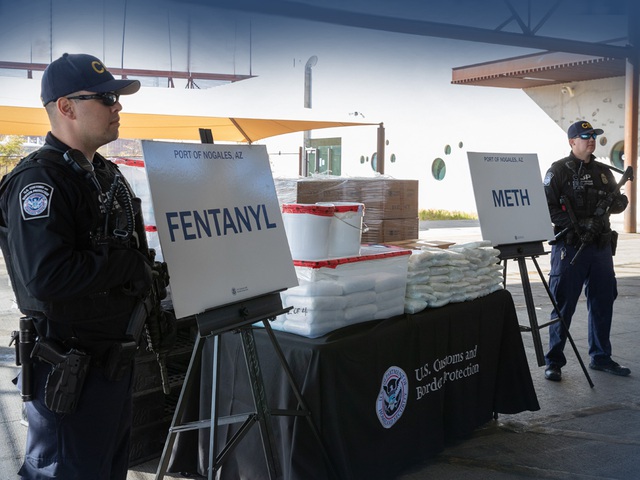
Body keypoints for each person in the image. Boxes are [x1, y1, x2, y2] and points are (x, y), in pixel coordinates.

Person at [0, 53, 154, 479]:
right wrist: (126, 265)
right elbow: (45, 278)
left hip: (110, 365)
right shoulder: (40, 182)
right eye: (105, 98)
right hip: (70, 371)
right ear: (66, 107)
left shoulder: (101, 173)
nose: (117, 106)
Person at [542, 120, 630, 382]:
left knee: (603, 302)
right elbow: (547, 208)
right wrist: (578, 224)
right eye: (585, 136)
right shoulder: (558, 171)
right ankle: (554, 361)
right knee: (563, 305)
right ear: (572, 142)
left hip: (601, 248)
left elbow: (616, 204)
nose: (591, 140)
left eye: (593, 135)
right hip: (571, 247)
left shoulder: (604, 171)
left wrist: (619, 203)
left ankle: (601, 357)